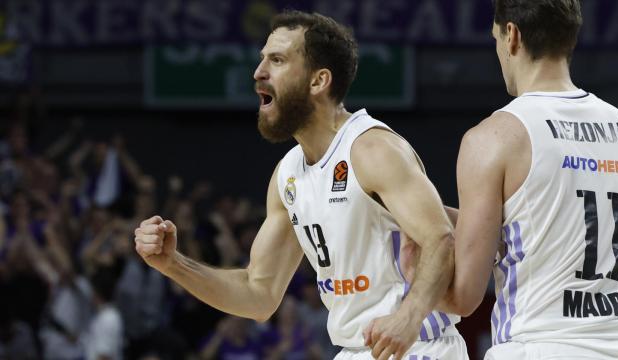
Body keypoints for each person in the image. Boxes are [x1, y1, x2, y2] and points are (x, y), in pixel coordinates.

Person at [134, 10, 468, 360]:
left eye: (276, 60)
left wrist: (408, 317)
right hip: (356, 350)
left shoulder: (372, 149)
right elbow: (258, 294)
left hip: (418, 347)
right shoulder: (288, 174)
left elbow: (439, 238)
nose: (258, 72)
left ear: (318, 81)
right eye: (262, 59)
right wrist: (173, 264)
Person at [440, 0, 618, 359]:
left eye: (496, 39)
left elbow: (464, 297)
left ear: (512, 35)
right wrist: (435, 214)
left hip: (541, 345)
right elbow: (548, 229)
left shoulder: (494, 137)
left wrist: (409, 265)